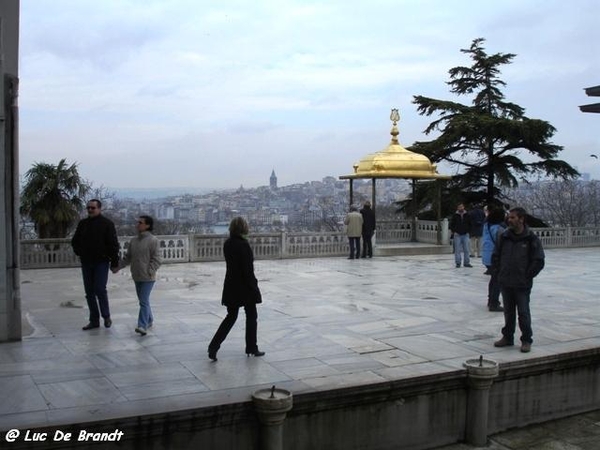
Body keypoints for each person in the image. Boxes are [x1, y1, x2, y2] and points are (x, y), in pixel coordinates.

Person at [208, 217, 264, 361]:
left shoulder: (228, 244)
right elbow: (248, 270)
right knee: (251, 317)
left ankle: (214, 346)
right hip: (245, 287)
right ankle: (252, 347)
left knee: (230, 317)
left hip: (231, 286)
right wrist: (254, 287)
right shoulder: (243, 245)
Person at [492, 207, 545, 353]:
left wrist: (527, 275)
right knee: (508, 312)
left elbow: (539, 260)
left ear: (521, 219)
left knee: (523, 312)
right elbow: (496, 256)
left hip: (522, 283)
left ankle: (526, 339)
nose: (510, 220)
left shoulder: (531, 238)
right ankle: (507, 337)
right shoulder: (504, 236)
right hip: (505, 281)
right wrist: (498, 273)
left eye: (513, 217)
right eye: (509, 217)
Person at [71, 199, 120, 330]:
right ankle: (94, 320)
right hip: (86, 262)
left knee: (100, 289)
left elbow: (113, 244)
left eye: (93, 208)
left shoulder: (107, 224)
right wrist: (80, 252)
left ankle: (106, 316)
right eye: (88, 208)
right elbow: (75, 241)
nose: (90, 210)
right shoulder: (83, 224)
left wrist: (114, 262)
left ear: (99, 209)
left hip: (101, 262)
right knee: (89, 292)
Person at [117, 215, 161, 336]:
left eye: (140, 222)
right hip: (137, 276)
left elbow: (157, 259)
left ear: (147, 225)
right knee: (144, 300)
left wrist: (150, 271)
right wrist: (118, 266)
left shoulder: (153, 240)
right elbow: (128, 257)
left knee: (143, 301)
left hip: (148, 277)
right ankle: (149, 319)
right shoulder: (134, 241)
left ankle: (142, 325)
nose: (137, 224)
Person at [481, 207, 505, 312]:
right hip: (494, 256)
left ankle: (491, 300)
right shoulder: (497, 228)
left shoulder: (486, 225)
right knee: (497, 281)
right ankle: (494, 303)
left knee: (493, 279)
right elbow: (501, 243)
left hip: (486, 255)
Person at [449, 203, 472, 268]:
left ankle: (466, 263)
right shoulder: (455, 215)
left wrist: (468, 231)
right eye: (459, 207)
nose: (461, 208)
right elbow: (452, 224)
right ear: (457, 208)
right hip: (457, 234)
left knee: (467, 249)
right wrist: (454, 231)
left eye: (461, 207)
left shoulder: (467, 215)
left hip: (465, 234)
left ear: (463, 207)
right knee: (457, 250)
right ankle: (458, 263)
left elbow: (470, 224)